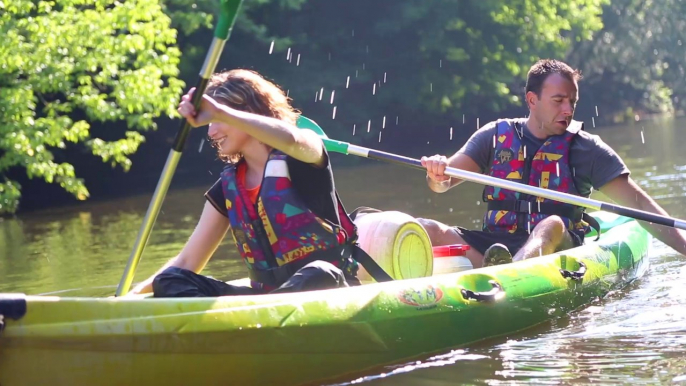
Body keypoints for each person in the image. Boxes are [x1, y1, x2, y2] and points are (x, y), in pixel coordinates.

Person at [128, 69, 389, 297]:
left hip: (330, 286)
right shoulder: (227, 188)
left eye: (217, 120)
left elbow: (290, 139)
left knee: (319, 272)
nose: (211, 132)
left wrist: (223, 112)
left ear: (249, 112)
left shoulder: (304, 152)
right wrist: (129, 297)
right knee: (171, 279)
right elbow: (187, 261)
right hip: (265, 300)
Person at [419, 59, 686, 268]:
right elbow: (441, 184)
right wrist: (437, 172)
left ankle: (513, 277)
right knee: (427, 229)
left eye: (572, 102)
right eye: (558, 101)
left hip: (558, 249)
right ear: (532, 100)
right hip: (495, 247)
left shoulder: (586, 148)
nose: (568, 110)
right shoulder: (494, 136)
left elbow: (639, 205)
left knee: (551, 223)